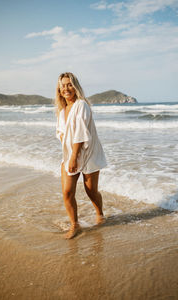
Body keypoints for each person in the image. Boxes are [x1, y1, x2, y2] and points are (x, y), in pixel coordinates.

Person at [55, 72, 107, 239]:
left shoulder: (82, 105)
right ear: (59, 89)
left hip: (87, 153)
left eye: (69, 84)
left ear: (75, 86)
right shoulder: (62, 110)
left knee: (91, 191)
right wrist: (68, 154)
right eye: (63, 86)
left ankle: (100, 214)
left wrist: (73, 157)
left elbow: (80, 133)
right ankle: (75, 225)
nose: (66, 89)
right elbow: (61, 132)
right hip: (70, 155)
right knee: (67, 192)